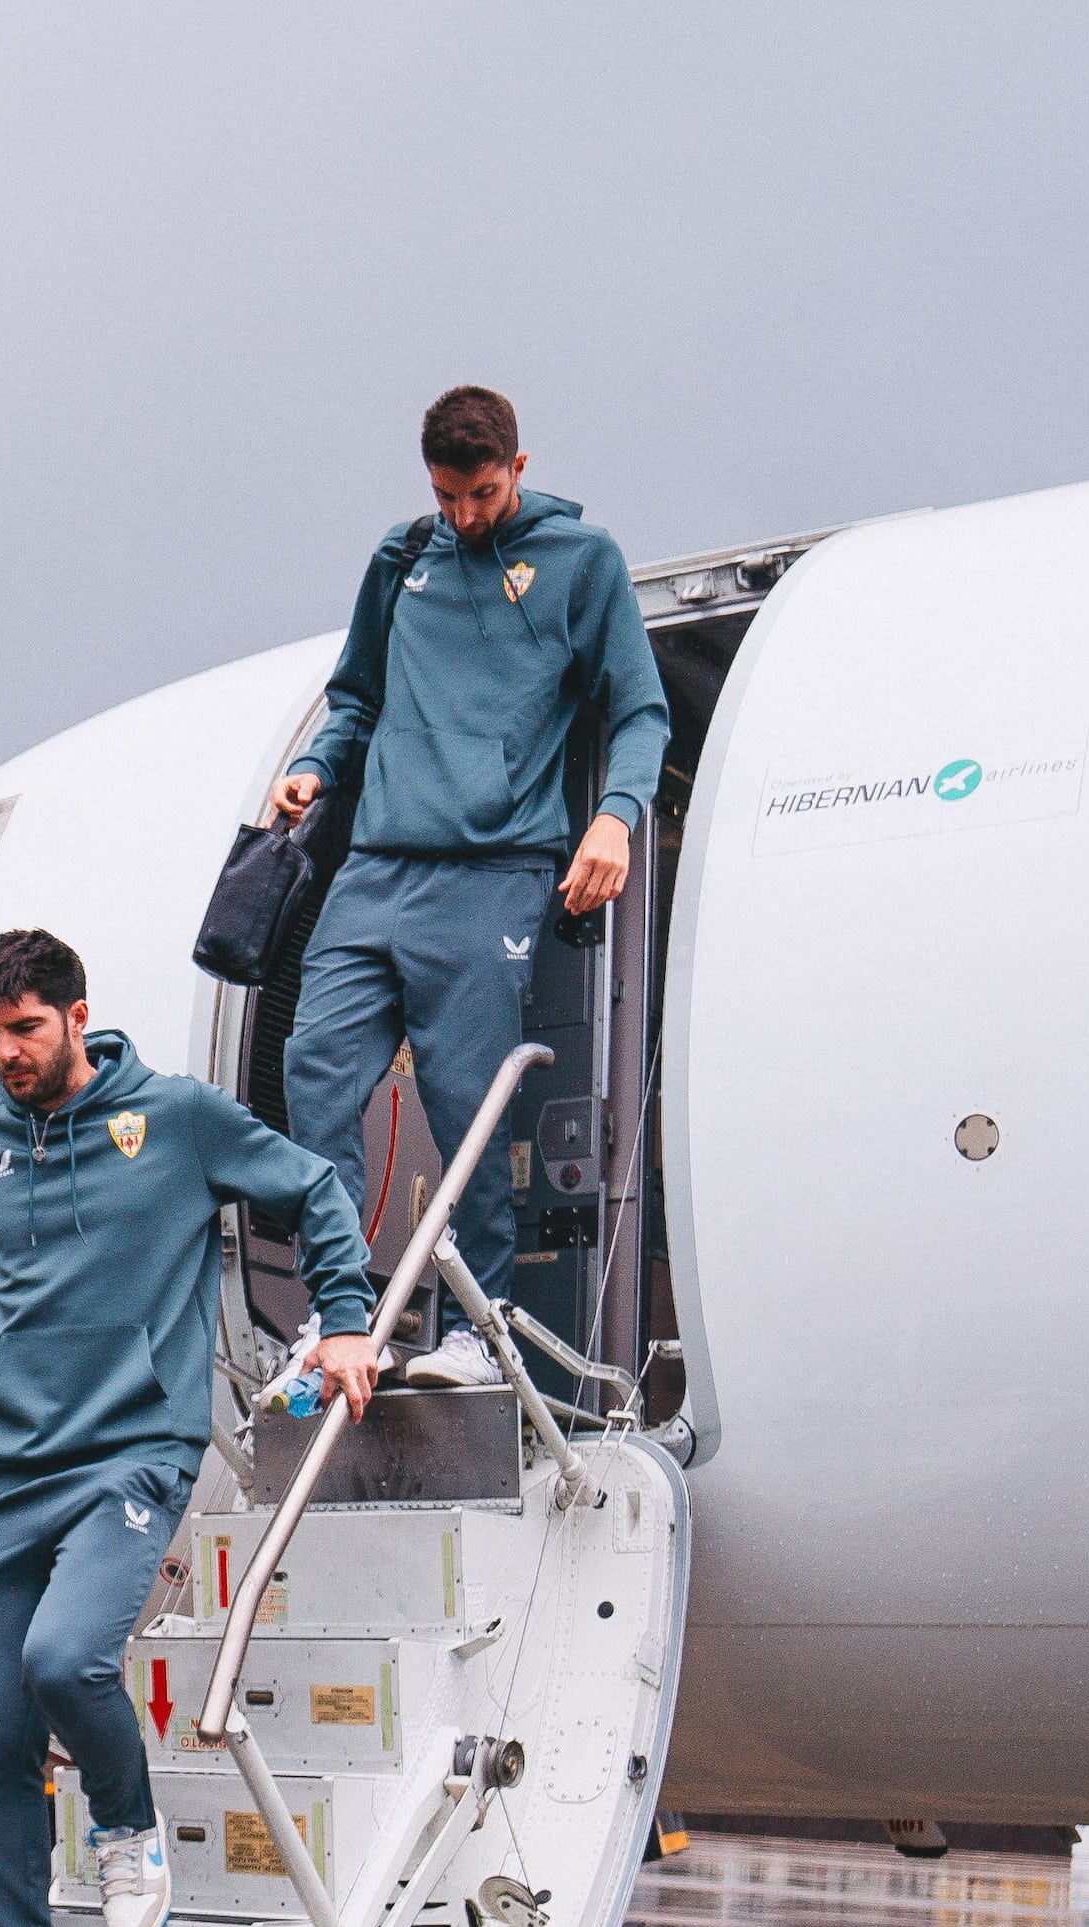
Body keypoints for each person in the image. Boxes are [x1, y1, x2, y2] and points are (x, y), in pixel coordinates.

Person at [0, 929, 379, 1927]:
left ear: (78, 1015)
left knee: (65, 1660)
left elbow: (310, 1185)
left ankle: (127, 1824)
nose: (5, 1054)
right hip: (14, 1470)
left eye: (23, 1029)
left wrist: (347, 1317)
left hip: (132, 1453)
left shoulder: (172, 1119)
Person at [270, 383, 670, 1389]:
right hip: (374, 869)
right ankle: (335, 1310)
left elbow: (639, 711)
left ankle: (477, 1334)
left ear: (519, 470)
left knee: (465, 1105)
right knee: (312, 1070)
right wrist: (319, 761)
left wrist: (615, 817)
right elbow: (355, 692)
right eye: (446, 496)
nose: (463, 516)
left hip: (491, 872)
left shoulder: (582, 563)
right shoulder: (403, 558)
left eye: (481, 494)